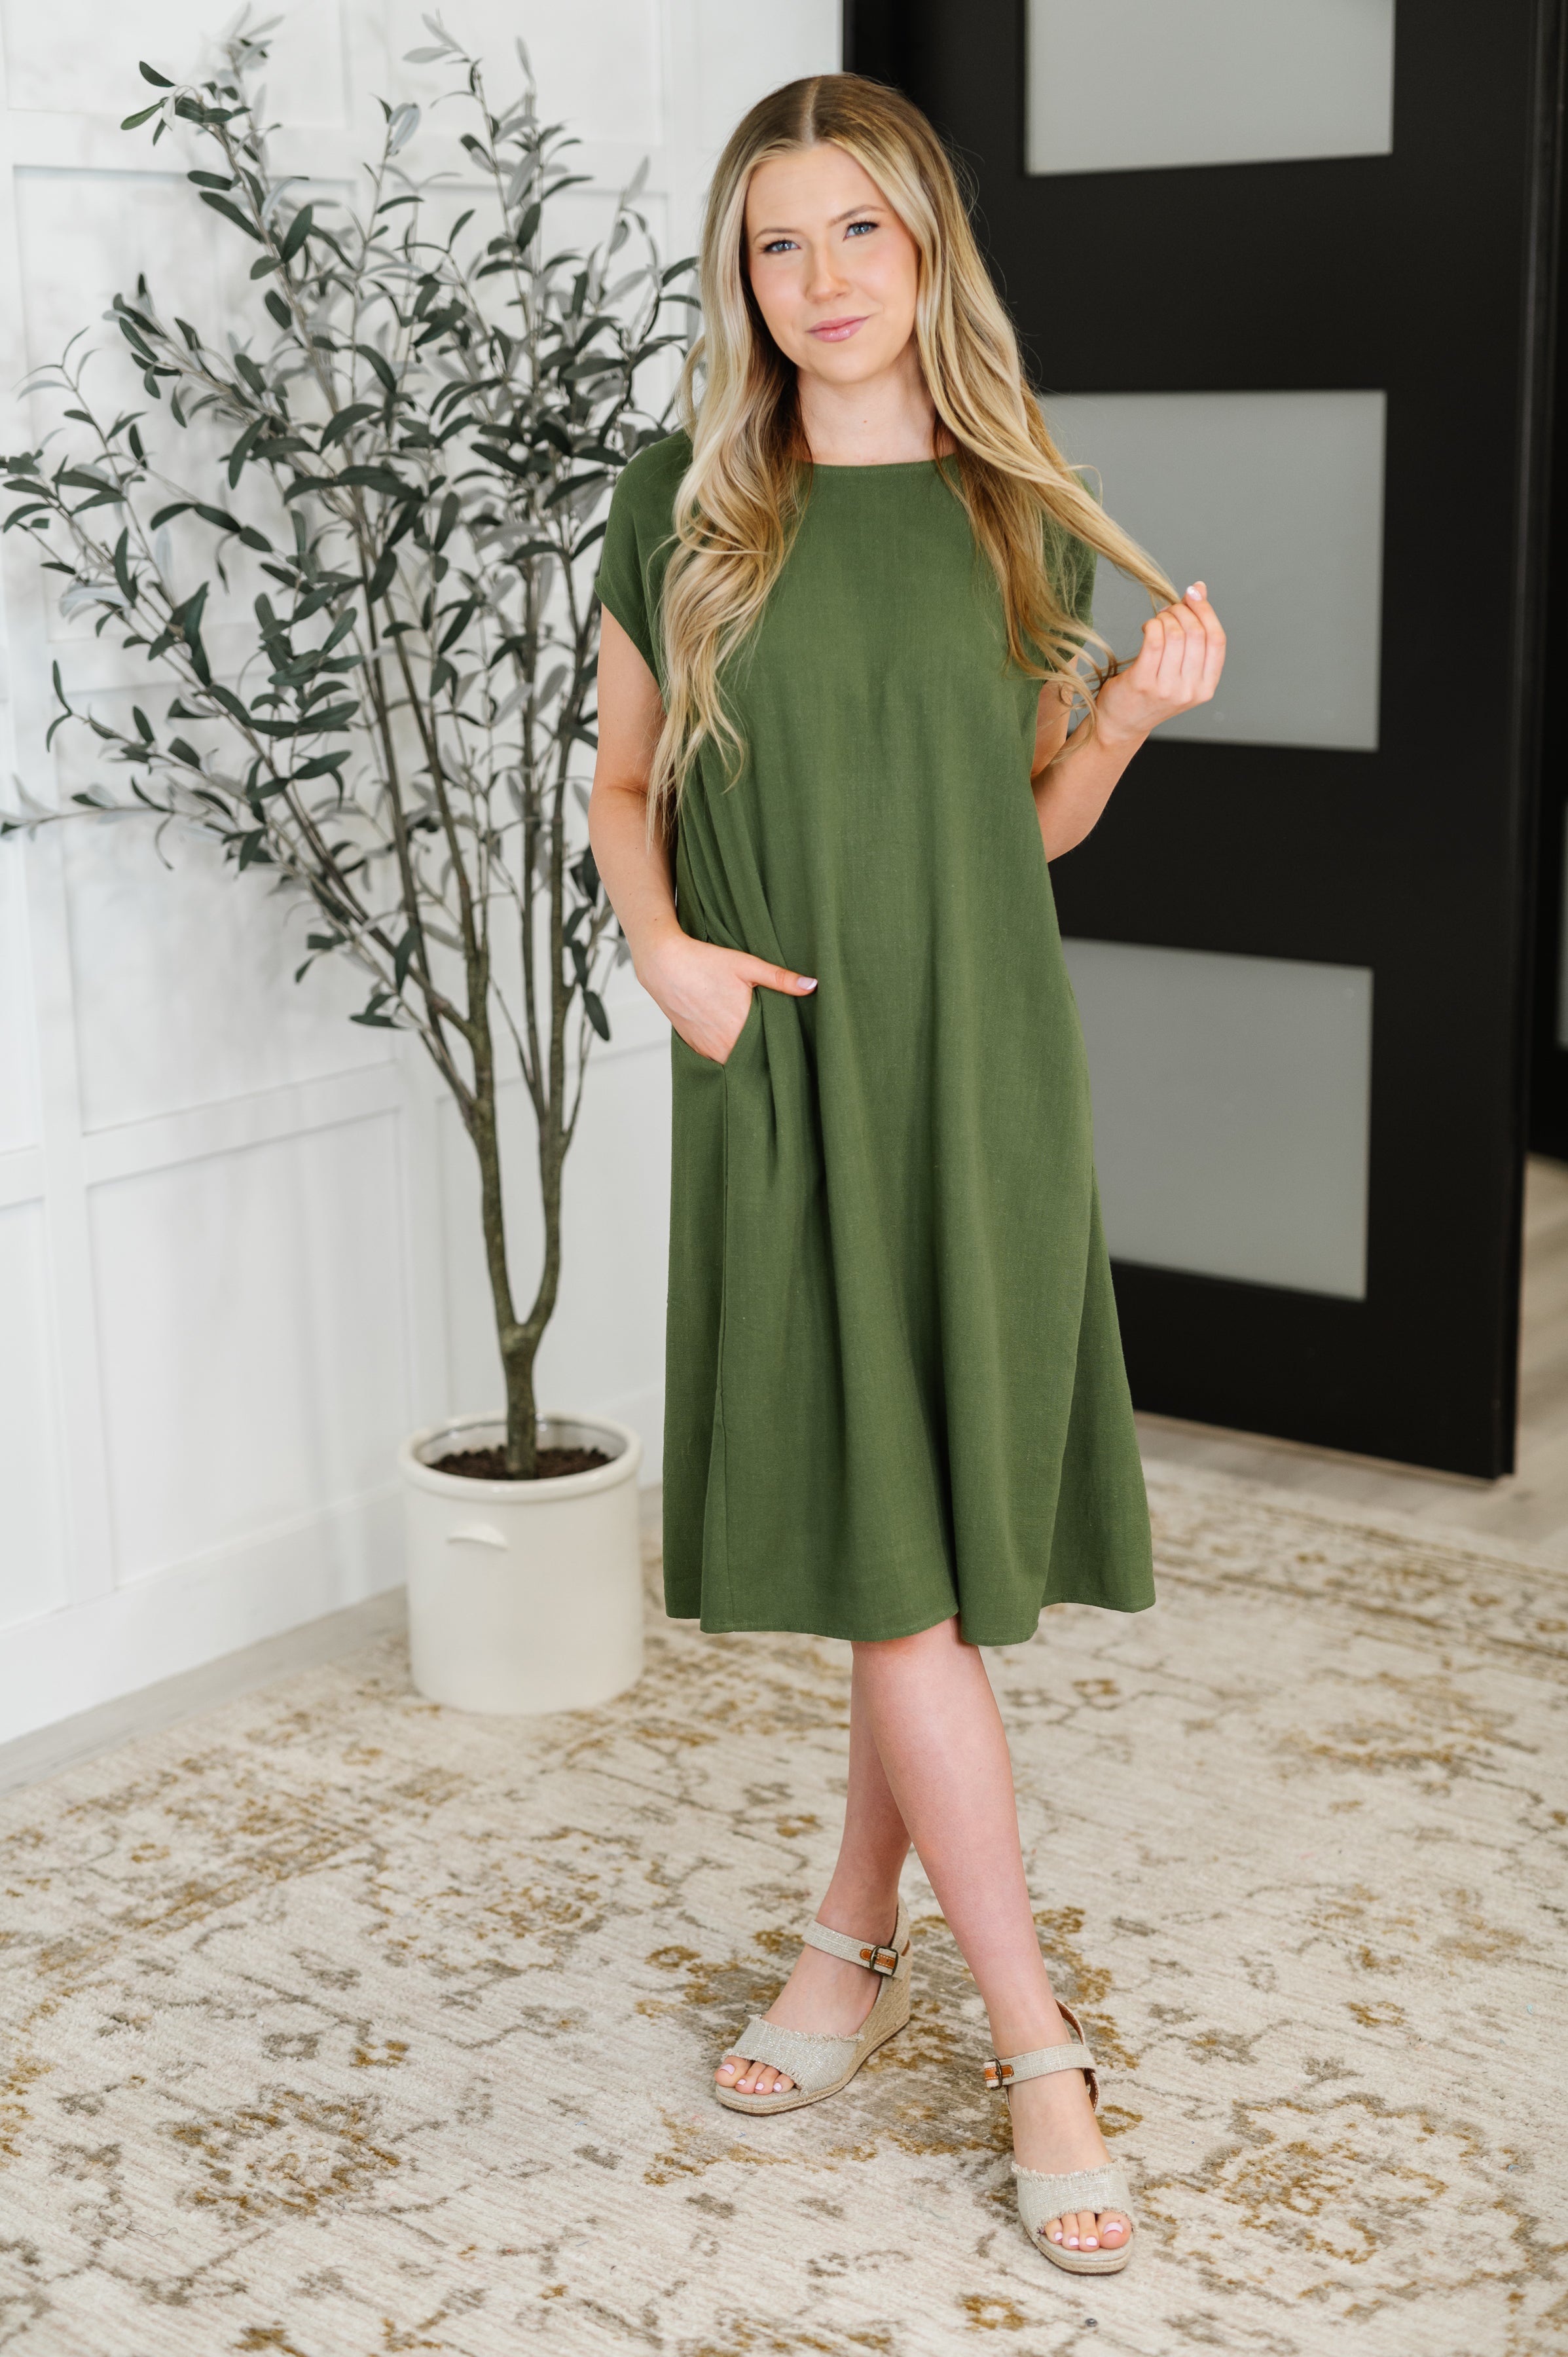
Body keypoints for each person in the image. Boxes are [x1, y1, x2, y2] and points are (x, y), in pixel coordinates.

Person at [588, 72, 1224, 2278]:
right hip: (780, 1060)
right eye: (777, 243)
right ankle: (1036, 2048)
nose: (822, 277)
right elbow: (623, 782)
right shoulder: (680, 499)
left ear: (927, 248)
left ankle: (851, 1945)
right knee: (903, 1578)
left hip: (980, 1068)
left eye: (858, 230)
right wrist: (662, 953)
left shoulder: (1010, 502)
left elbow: (1019, 826)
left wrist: (1124, 718)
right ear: (739, 277)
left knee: (918, 1557)